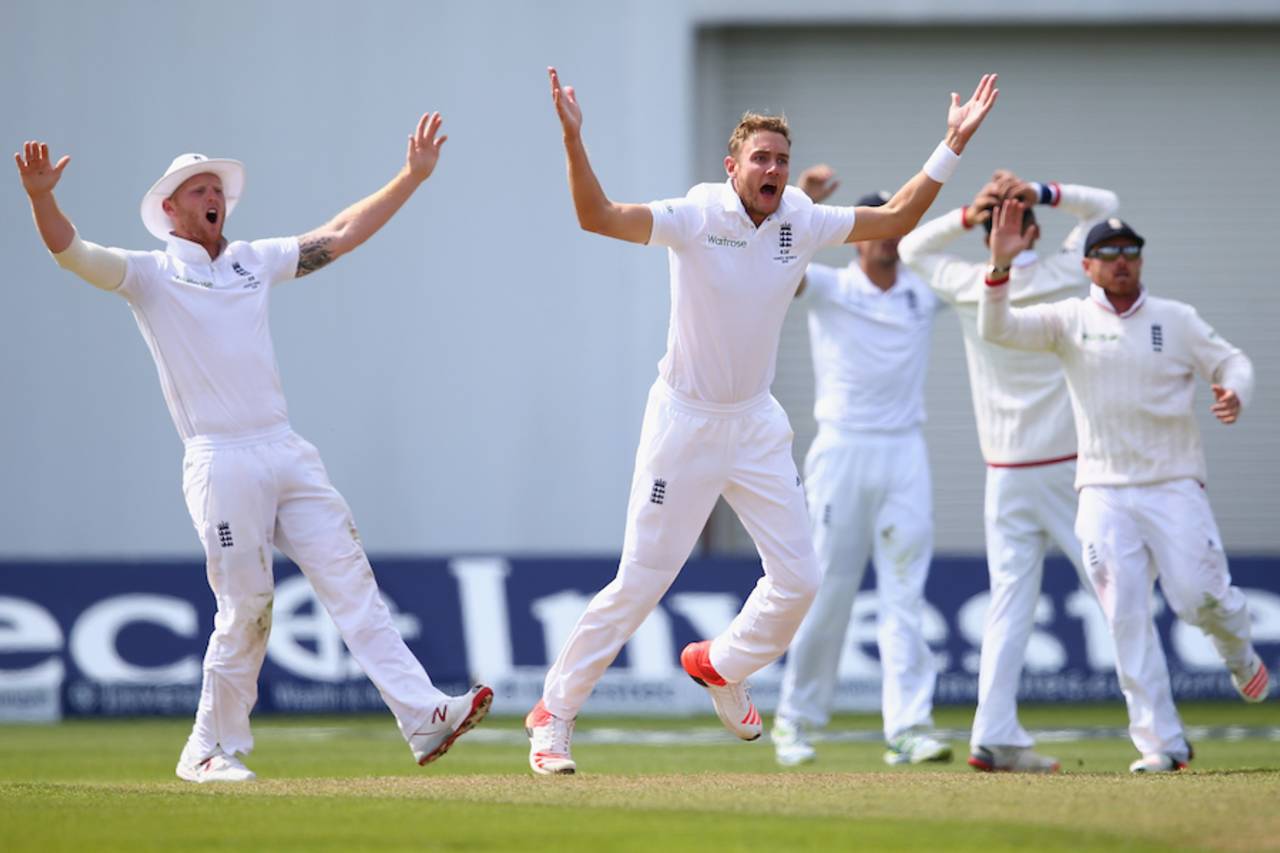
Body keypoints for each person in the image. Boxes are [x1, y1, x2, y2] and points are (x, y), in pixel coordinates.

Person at [525, 66, 997, 775]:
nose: (773, 169)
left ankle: (720, 662)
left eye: (781, 158)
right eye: (761, 158)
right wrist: (573, 138)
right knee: (641, 580)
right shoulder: (696, 214)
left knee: (800, 579)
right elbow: (597, 216)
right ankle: (554, 713)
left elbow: (897, 218)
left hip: (754, 426)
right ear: (732, 166)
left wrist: (951, 144)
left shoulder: (800, 219)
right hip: (683, 421)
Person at [14, 119, 492, 784]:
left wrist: (410, 176)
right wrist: (42, 198)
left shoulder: (252, 261)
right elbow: (74, 253)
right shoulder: (151, 274)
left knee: (354, 584)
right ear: (170, 209)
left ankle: (422, 714)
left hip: (286, 449)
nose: (213, 195)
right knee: (248, 607)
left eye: (217, 187)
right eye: (198, 188)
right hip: (220, 460)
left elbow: (340, 233)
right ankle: (206, 748)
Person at [978, 201, 1269, 773]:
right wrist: (998, 266)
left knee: (1199, 598)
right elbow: (999, 329)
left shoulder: (1174, 318)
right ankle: (1162, 744)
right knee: (1125, 617)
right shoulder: (1068, 320)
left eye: (1130, 253)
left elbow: (1233, 361)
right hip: (1103, 491)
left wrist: (1234, 391)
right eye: (1107, 254)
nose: (1120, 262)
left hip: (1173, 484)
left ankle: (1237, 650)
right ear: (1086, 266)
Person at [898, 172, 1169, 773]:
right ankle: (1157, 737)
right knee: (1114, 597)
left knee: (1016, 604)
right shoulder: (1063, 273)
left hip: (1014, 473)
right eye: (1007, 219)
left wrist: (974, 213)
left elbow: (913, 246)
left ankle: (993, 734)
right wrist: (1035, 191)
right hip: (1068, 473)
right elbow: (1104, 203)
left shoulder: (971, 283)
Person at [771, 179, 950, 768]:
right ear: (855, 239)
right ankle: (794, 721)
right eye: (875, 227)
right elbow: (778, 269)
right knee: (826, 589)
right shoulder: (830, 285)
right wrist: (793, 205)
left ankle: (908, 727)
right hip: (842, 451)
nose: (886, 238)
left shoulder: (921, 294)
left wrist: (985, 220)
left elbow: (984, 284)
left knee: (905, 594)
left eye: (893, 226)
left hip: (904, 454)